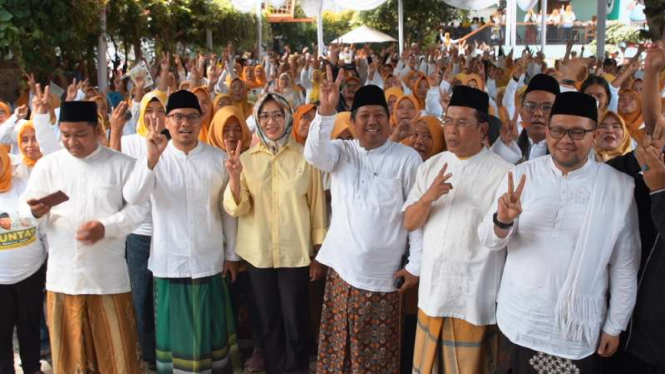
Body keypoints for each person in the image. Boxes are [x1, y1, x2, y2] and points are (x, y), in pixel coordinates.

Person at [478, 92, 640, 374]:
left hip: (574, 329)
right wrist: (502, 221)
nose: (566, 139)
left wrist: (615, 325)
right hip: (519, 319)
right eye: (558, 130)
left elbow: (625, 266)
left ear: (593, 134)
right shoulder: (521, 175)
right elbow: (489, 240)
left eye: (577, 132)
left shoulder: (617, 188)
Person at [305, 67, 423, 374]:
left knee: (376, 361)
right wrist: (326, 112)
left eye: (378, 115)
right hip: (342, 275)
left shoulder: (407, 159)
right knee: (338, 356)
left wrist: (415, 266)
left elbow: (417, 217)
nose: (372, 122)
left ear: (389, 118)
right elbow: (314, 154)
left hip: (383, 280)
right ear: (354, 121)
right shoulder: (342, 152)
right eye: (364, 116)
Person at [20, 101, 147, 374]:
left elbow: (139, 210)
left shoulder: (122, 164)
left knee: (118, 360)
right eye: (65, 135)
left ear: (96, 129)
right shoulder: (48, 165)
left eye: (80, 134)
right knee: (69, 362)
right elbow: (25, 210)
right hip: (63, 279)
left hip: (108, 280)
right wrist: (35, 211)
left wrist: (107, 226)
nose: (72, 142)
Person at [123, 90, 241, 374]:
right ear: (167, 120)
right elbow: (133, 196)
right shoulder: (154, 158)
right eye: (177, 117)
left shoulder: (217, 159)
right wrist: (150, 160)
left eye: (191, 116)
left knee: (212, 337)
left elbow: (227, 211)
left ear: (202, 120)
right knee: (175, 342)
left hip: (209, 261)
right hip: (169, 264)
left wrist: (232, 254)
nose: (184, 123)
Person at [404, 86, 512, 374]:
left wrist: (503, 221)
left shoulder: (503, 172)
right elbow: (409, 222)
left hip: (473, 297)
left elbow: (498, 240)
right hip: (432, 293)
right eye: (448, 120)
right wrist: (428, 197)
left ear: (482, 129)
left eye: (462, 123)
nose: (452, 130)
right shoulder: (431, 166)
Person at [223, 92, 327, 374]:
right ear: (257, 119)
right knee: (268, 322)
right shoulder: (246, 159)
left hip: (295, 254)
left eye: (277, 115)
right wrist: (233, 177)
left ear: (288, 117)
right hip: (258, 255)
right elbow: (238, 208)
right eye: (265, 116)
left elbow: (317, 207)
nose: (271, 121)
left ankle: (296, 369)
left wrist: (318, 253)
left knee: (296, 321)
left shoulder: (306, 158)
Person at [602, 41, 665, 374]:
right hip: (627, 318)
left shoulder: (658, 183)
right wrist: (653, 71)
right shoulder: (645, 169)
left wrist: (660, 192)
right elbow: (655, 135)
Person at [109, 88, 168, 371]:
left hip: (168, 232)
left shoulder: (175, 142)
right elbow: (112, 165)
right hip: (139, 234)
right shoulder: (132, 142)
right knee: (141, 296)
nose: (155, 117)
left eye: (161, 111)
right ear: (142, 115)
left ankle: (166, 349)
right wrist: (115, 130)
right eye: (150, 111)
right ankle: (147, 354)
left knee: (164, 297)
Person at [0, 144, 47, 374]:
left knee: (29, 328)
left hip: (31, 273)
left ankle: (32, 368)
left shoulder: (23, 186)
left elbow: (42, 224)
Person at [492, 74, 560, 164]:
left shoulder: (568, 153)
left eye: (547, 107)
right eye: (531, 106)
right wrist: (506, 144)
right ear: (521, 111)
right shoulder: (510, 145)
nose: (538, 113)